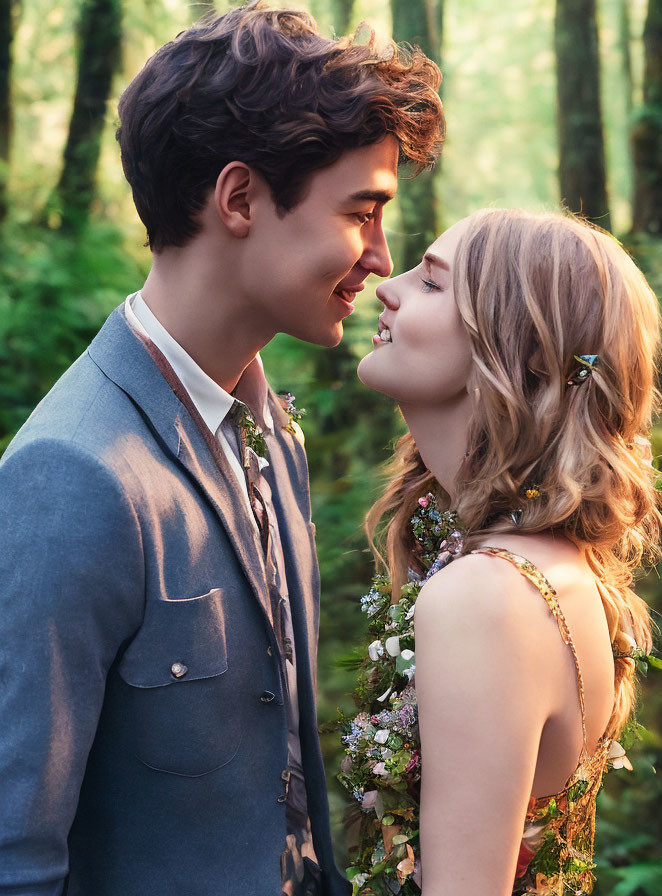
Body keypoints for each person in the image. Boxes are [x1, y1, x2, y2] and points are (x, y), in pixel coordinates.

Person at [0, 4, 444, 894]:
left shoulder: (271, 430)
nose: (381, 260)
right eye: (362, 213)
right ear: (239, 199)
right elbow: (16, 853)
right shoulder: (72, 473)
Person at [350, 209, 662, 895]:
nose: (387, 286)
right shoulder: (557, 570)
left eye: (431, 284)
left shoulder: (488, 596)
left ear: (518, 351)